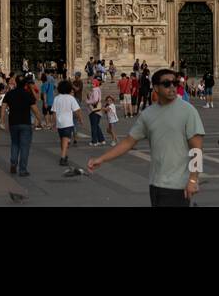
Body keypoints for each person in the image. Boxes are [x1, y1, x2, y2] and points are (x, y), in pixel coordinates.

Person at [88, 68, 205, 207]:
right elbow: (128, 142)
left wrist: (193, 180)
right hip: (156, 184)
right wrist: (102, 159)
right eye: (167, 84)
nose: (172, 87)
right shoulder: (148, 114)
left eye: (175, 83)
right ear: (155, 87)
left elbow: (197, 149)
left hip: (179, 185)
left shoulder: (188, 111)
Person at [5, 74, 43, 176]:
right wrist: (40, 121)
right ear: (26, 84)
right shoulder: (28, 94)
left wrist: (2, 120)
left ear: (16, 82)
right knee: (24, 147)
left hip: (13, 122)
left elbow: (3, 106)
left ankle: (13, 162)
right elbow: (35, 110)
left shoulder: (10, 93)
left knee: (15, 144)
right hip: (25, 123)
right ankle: (22, 170)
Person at [51, 78, 84, 166]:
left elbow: (54, 112)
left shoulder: (56, 98)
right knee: (66, 140)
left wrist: (53, 123)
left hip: (59, 123)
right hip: (68, 123)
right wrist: (80, 119)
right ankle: (62, 157)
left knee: (63, 139)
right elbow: (77, 110)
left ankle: (65, 155)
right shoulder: (71, 98)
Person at [86, 77, 105, 146]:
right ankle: (101, 139)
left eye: (93, 83)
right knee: (96, 125)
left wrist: (88, 102)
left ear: (96, 84)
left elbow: (95, 100)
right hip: (98, 110)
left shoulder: (94, 90)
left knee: (93, 126)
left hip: (93, 110)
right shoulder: (97, 89)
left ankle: (94, 141)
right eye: (91, 83)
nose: (91, 84)